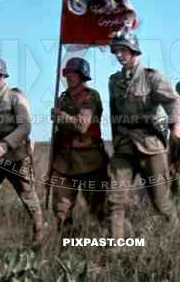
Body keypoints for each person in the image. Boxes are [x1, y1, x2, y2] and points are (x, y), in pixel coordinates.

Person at [107, 29, 180, 241]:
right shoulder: (114, 81)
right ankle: (116, 249)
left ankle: (177, 240)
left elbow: (174, 101)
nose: (119, 55)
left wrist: (177, 123)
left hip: (150, 145)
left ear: (134, 51)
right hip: (124, 146)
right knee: (115, 199)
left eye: (123, 50)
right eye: (116, 51)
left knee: (161, 202)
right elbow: (114, 113)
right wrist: (116, 141)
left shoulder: (152, 77)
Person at [0, 58, 44, 245]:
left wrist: (4, 145)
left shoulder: (15, 97)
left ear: (2, 75)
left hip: (15, 156)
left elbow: (25, 127)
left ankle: (40, 235)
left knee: (28, 197)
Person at [50, 57, 109, 230]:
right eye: (67, 73)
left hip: (89, 161)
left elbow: (82, 126)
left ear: (82, 75)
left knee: (97, 209)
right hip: (64, 162)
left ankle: (110, 243)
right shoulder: (62, 98)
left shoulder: (91, 96)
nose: (69, 76)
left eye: (74, 73)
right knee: (61, 210)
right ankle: (66, 244)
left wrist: (59, 115)